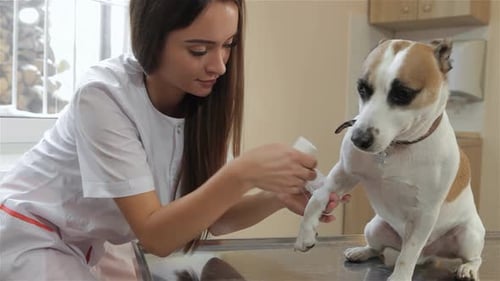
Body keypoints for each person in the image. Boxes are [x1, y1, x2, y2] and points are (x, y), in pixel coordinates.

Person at [0, 0, 346, 280]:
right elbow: (156, 236)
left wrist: (276, 195)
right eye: (199, 50)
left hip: (92, 243)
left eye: (228, 46)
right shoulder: (103, 96)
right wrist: (242, 173)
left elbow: (214, 217)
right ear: (151, 38)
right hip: (30, 232)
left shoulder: (201, 102)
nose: (220, 66)